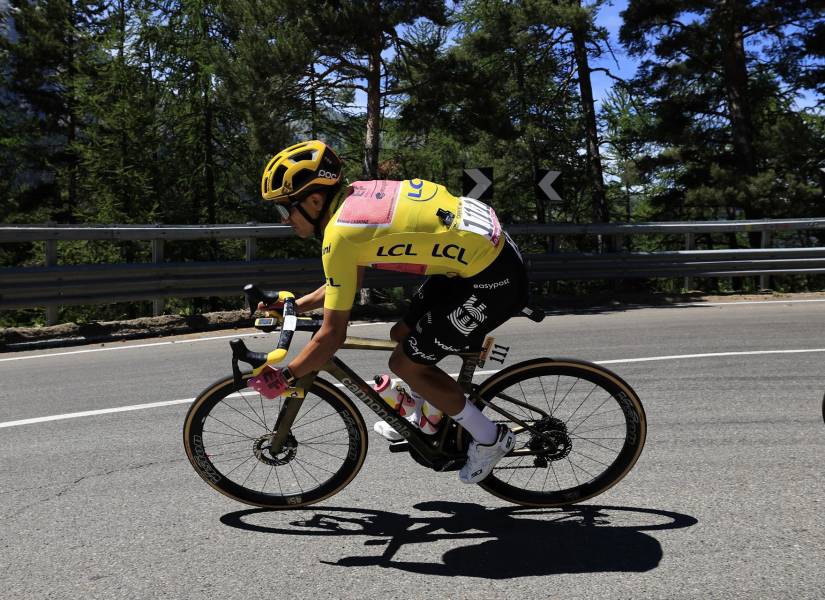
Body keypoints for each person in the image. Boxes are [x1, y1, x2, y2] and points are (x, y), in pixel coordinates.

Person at [254, 139, 528, 484]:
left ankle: (490, 438)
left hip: (493, 280)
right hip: (480, 258)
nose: (283, 221)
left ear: (313, 200)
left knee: (404, 364)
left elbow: (332, 335)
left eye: (283, 210)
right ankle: (427, 413)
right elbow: (345, 279)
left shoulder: (339, 237)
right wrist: (293, 303)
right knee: (401, 334)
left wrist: (285, 377)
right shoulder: (354, 198)